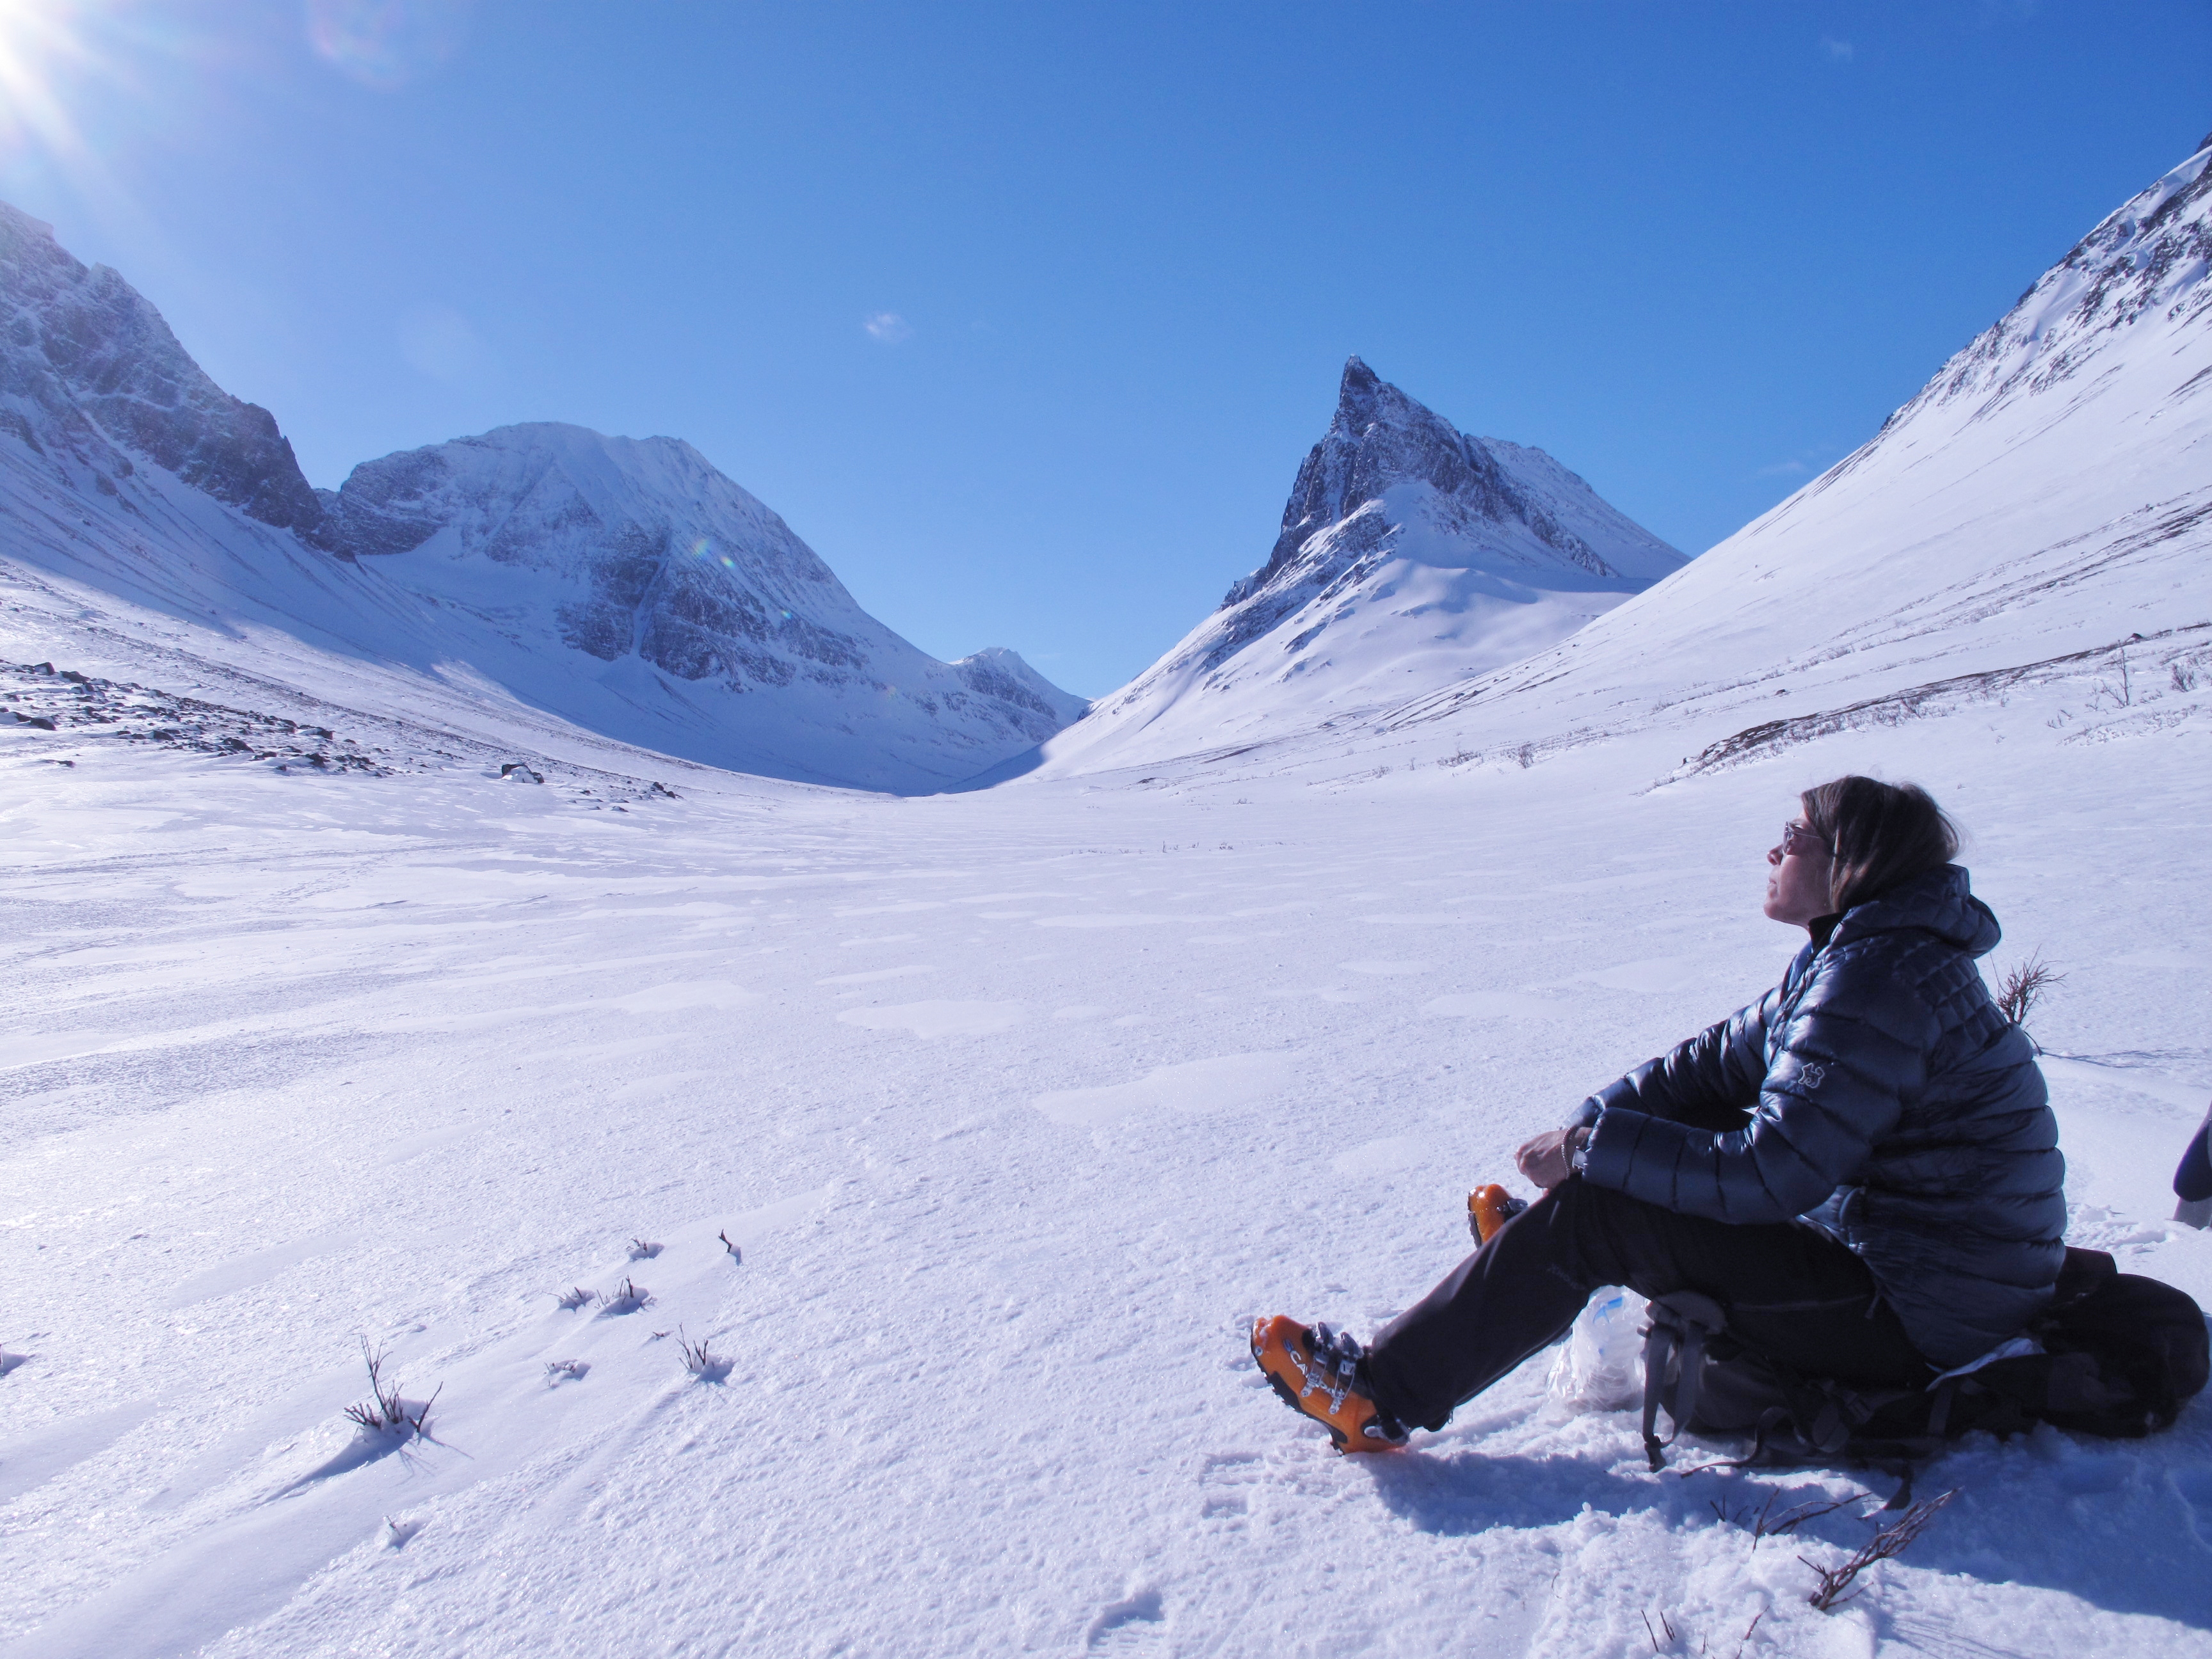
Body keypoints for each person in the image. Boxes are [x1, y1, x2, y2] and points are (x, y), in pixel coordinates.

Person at [1252, 776, 2067, 1452]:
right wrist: (1588, 1127)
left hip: (1921, 1316)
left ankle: (1381, 1393)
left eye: (1797, 834)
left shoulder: (1876, 982)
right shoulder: (1853, 957)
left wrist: (1591, 1157)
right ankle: (1539, 1262)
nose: (1774, 850)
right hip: (1908, 1266)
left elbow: (1768, 1172)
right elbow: (1712, 1066)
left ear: (1852, 864)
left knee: (1604, 1212)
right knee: (1646, 1151)